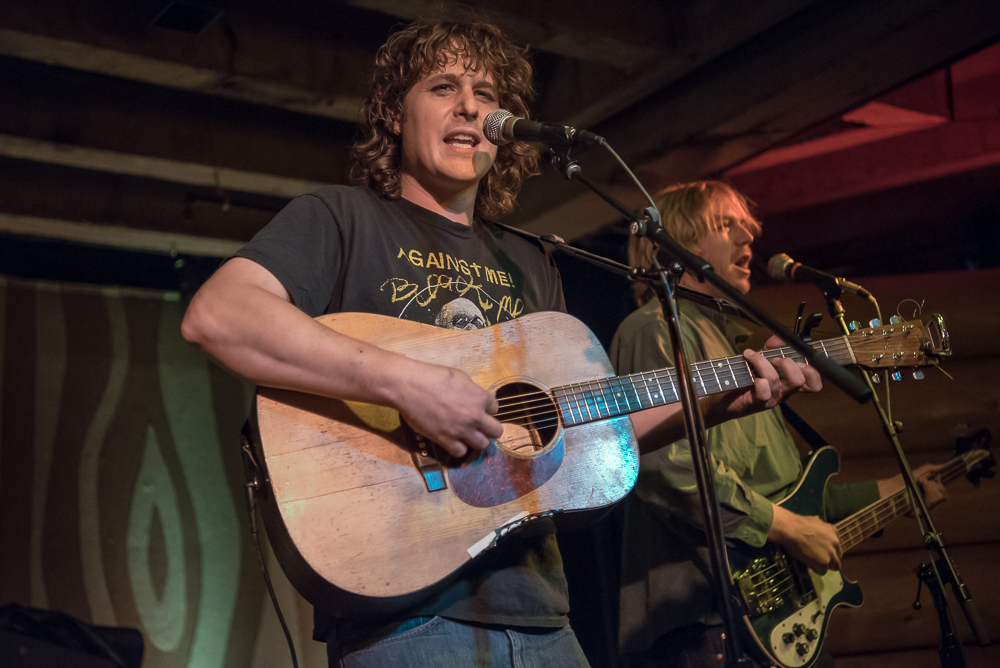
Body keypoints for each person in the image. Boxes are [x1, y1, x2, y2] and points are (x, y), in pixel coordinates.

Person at [181, 20, 816, 668]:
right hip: (404, 619)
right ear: (395, 117)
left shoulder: (531, 262)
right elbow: (220, 315)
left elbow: (584, 431)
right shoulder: (343, 219)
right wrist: (410, 384)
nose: (470, 107)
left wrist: (711, 399)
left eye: (486, 93)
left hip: (544, 616)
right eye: (443, 87)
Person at [611, 180, 948, 668]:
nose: (748, 241)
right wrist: (785, 527)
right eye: (727, 226)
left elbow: (795, 494)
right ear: (678, 241)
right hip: (703, 629)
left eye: (749, 231)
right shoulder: (655, 329)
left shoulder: (741, 349)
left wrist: (900, 488)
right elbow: (667, 466)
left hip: (777, 623)